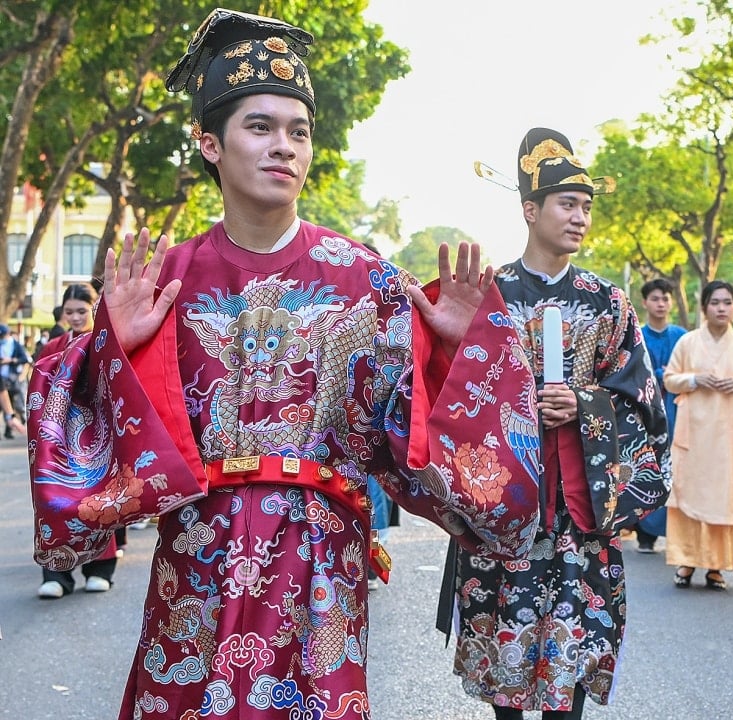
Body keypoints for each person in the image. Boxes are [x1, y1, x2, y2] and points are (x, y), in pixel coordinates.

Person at [28, 10, 541, 719]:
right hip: (198, 553)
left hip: (322, 556)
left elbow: (422, 424)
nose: (284, 147)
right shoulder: (168, 278)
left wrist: (452, 347)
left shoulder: (364, 275)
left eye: (299, 131)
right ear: (209, 143)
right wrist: (115, 343)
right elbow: (85, 416)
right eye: (260, 127)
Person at [443, 127, 670, 719]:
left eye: (587, 208)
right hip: (505, 514)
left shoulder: (609, 303)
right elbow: (449, 397)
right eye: (568, 205)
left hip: (580, 516)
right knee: (507, 676)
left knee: (568, 673)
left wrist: (586, 406)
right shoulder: (487, 297)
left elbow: (645, 403)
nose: (580, 218)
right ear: (529, 210)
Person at [663, 280, 733, 590]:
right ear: (705, 307)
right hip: (695, 433)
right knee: (689, 490)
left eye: (727, 302)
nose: (722, 308)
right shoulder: (689, 342)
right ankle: (687, 561)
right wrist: (695, 379)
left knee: (726, 495)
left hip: (731, 436)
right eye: (715, 302)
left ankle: (717, 567)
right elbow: (669, 380)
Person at [33, 284, 118, 598]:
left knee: (97, 502)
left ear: (94, 309)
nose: (75, 317)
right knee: (54, 500)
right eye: (70, 311)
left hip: (99, 435)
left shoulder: (107, 342)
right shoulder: (52, 345)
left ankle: (100, 569)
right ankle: (57, 574)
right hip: (57, 436)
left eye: (82, 311)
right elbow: (38, 388)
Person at [633, 277, 686, 553]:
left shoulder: (681, 337)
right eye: (655, 298)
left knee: (675, 466)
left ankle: (674, 530)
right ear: (645, 302)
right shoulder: (637, 335)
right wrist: (660, 375)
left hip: (677, 409)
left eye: (665, 298)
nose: (661, 303)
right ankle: (644, 531)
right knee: (648, 464)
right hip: (646, 409)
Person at [0, 323, 28, 438]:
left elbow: (24, 359)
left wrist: (10, 416)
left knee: (13, 403)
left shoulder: (16, 345)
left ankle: (8, 430)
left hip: (11, 380)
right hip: (3, 379)